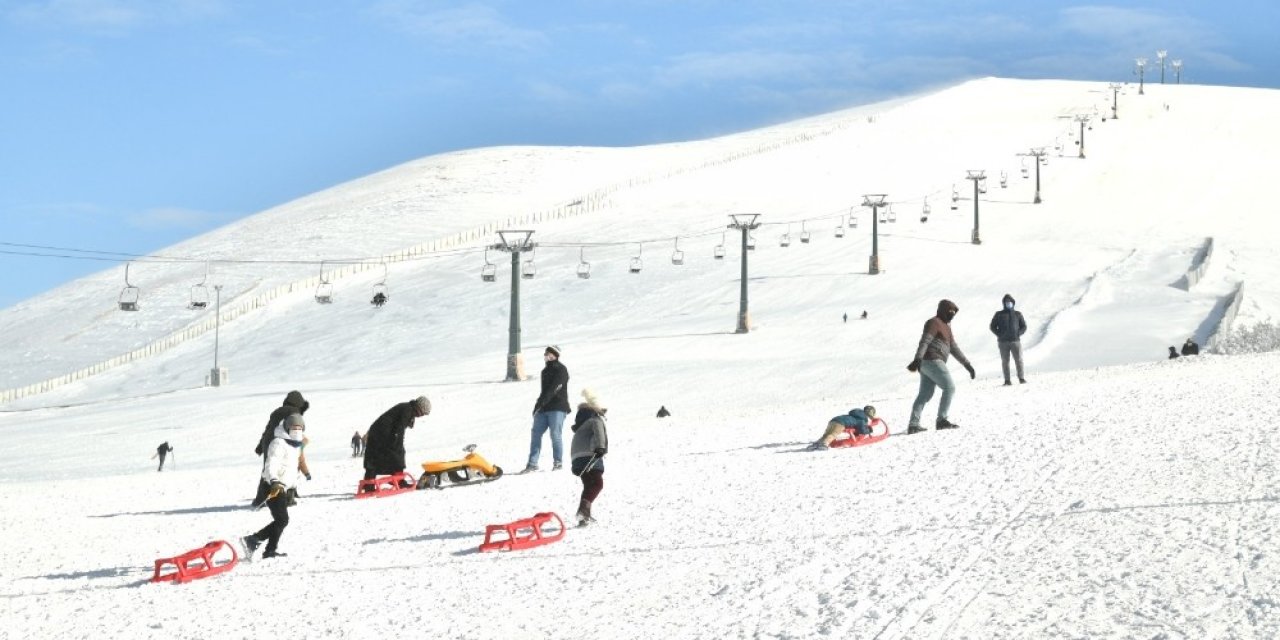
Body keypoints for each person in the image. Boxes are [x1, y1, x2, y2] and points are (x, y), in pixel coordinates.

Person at [241, 414, 306, 560]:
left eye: (299, 428)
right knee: (282, 520)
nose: (296, 430)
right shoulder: (278, 443)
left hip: (282, 487)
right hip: (272, 486)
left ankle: (269, 550)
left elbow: (290, 468)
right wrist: (275, 481)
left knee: (281, 520)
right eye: (294, 427)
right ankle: (253, 540)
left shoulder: (295, 446)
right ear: (287, 428)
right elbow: (272, 464)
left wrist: (292, 487)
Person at [906, 299, 974, 434]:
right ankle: (942, 420)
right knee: (949, 387)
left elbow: (954, 348)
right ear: (943, 310)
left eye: (954, 312)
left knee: (925, 394)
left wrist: (967, 364)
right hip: (933, 360)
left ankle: (913, 424)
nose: (952, 314)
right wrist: (918, 358)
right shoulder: (934, 322)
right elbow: (925, 341)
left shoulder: (947, 327)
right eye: (950, 311)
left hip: (927, 364)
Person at [252, 391, 309, 505]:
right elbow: (294, 429)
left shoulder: (276, 412)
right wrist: (301, 441)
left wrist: (260, 447)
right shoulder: (295, 413)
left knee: (268, 470)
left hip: (269, 442)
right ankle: (287, 497)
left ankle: (261, 499)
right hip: (285, 442)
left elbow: (267, 429)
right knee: (288, 468)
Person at [363, 395, 430, 489]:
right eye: (423, 413)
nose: (421, 416)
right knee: (396, 453)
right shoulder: (407, 410)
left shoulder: (408, 408)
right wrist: (398, 444)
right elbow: (399, 429)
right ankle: (397, 481)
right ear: (420, 408)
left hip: (380, 432)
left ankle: (369, 484)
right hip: (381, 433)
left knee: (378, 456)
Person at [523, 345, 570, 473]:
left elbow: (554, 389)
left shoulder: (561, 370)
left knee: (555, 435)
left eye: (551, 354)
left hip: (558, 407)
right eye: (546, 354)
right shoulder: (545, 371)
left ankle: (558, 462)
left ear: (556, 356)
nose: (548, 356)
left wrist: (541, 403)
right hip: (543, 408)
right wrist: (537, 406)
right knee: (536, 434)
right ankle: (532, 463)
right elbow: (544, 392)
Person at [570, 388, 608, 526]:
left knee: (588, 486)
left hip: (577, 457)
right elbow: (599, 433)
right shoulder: (595, 418)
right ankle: (583, 512)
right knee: (597, 484)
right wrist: (600, 448)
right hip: (590, 454)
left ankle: (583, 516)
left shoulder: (583, 419)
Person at [989, 293, 1028, 385]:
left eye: (1010, 302)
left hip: (1015, 341)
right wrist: (999, 334)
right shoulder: (999, 314)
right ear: (1004, 303)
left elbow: (1024, 326)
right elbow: (992, 326)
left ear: (1013, 303)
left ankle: (1021, 378)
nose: (1008, 303)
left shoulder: (1018, 314)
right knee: (1005, 361)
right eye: (1006, 302)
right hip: (1003, 342)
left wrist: (1019, 333)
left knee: (1019, 360)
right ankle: (1007, 380)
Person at [807, 406, 876, 450]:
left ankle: (817, 443)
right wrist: (869, 430)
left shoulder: (856, 415)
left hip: (833, 421)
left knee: (827, 434)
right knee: (833, 434)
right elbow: (862, 430)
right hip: (840, 424)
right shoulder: (862, 419)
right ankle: (824, 444)